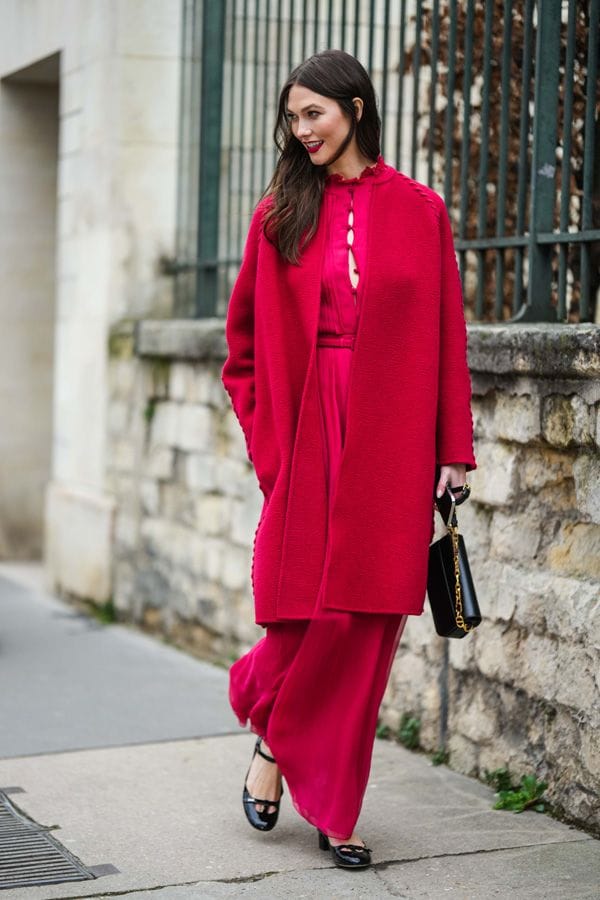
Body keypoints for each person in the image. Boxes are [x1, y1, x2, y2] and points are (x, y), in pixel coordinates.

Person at [221, 48, 476, 870]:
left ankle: (325, 794)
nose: (301, 133)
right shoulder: (279, 215)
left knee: (364, 627)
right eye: (292, 121)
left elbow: (447, 343)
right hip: (307, 435)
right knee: (306, 613)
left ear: (355, 108)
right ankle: (287, 746)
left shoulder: (422, 211)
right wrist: (272, 450)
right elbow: (243, 351)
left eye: (313, 115)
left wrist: (453, 450)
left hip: (392, 441)